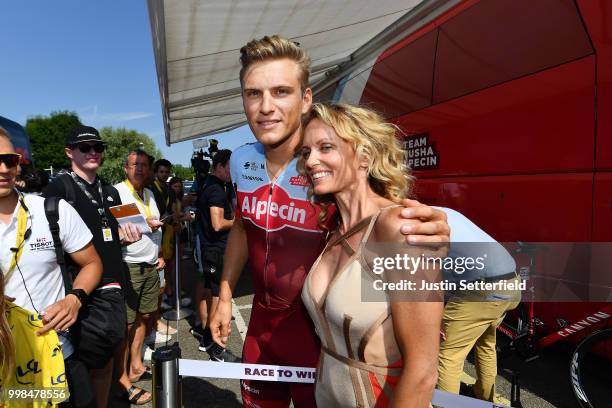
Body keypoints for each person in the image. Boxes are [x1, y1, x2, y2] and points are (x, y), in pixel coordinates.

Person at [209, 35, 450, 407]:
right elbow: (242, 226)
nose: (266, 107)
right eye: (253, 94)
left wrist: (440, 227)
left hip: (317, 334)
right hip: (259, 323)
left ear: (306, 99)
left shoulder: (329, 169)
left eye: (281, 92)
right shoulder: (242, 160)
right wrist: (225, 295)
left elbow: (383, 208)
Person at [298, 102, 443, 407]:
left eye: (326, 147)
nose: (311, 161)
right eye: (306, 152)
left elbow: (423, 370)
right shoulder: (333, 228)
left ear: (364, 155)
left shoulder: (396, 227)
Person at [0, 126, 103, 407]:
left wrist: (75, 298)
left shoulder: (51, 210)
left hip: (59, 355)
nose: (3, 168)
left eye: (10, 160)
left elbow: (92, 263)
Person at [45, 124, 143, 408]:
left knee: (109, 355)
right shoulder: (59, 188)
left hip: (113, 282)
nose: (93, 153)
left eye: (98, 147)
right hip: (82, 289)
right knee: (84, 364)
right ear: (69, 152)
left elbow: (115, 232)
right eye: (84, 147)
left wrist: (130, 234)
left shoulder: (109, 190)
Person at [114, 150, 164, 405]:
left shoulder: (150, 193)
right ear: (126, 167)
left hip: (150, 263)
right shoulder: (117, 193)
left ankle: (135, 366)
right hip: (130, 265)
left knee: (145, 317)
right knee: (127, 324)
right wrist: (148, 224)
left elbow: (152, 226)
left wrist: (159, 253)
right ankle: (121, 378)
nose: (140, 169)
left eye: (145, 165)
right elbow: (118, 230)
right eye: (135, 164)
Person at [193, 149, 238, 361]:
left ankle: (205, 334)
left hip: (208, 248)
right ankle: (214, 346)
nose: (232, 171)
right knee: (217, 295)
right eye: (230, 167)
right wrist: (240, 221)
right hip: (214, 249)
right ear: (219, 166)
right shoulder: (216, 189)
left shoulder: (211, 184)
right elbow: (218, 224)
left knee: (209, 291)